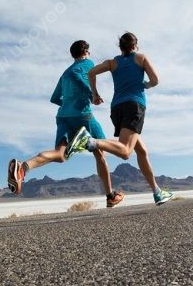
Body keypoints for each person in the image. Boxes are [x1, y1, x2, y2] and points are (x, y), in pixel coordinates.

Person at [7, 40, 124, 208]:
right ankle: (110, 196)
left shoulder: (64, 73)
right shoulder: (87, 63)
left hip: (62, 116)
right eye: (89, 51)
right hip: (82, 115)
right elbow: (79, 77)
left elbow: (54, 98)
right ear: (85, 52)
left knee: (60, 155)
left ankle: (23, 168)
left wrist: (68, 103)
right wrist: (92, 95)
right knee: (100, 152)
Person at [64, 32, 174, 205]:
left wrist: (95, 94)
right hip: (134, 106)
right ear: (135, 45)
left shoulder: (112, 62)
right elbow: (155, 80)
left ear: (120, 47)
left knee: (142, 151)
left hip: (117, 109)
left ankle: (157, 191)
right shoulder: (141, 58)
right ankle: (91, 141)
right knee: (125, 151)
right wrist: (144, 84)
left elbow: (91, 73)